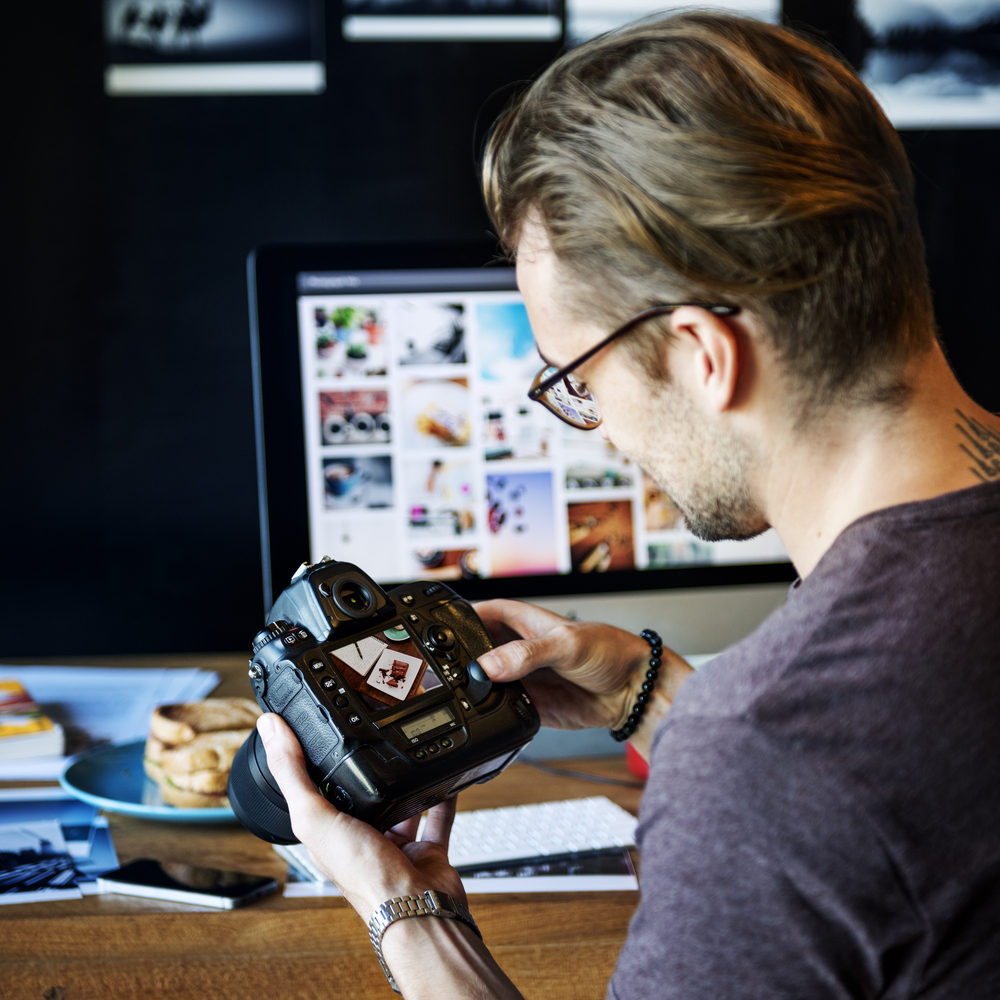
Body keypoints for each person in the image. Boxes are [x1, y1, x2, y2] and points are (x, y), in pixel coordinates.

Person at [255, 12, 1000, 998]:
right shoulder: (808, 741)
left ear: (702, 355)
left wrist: (408, 909)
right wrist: (649, 696)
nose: (597, 427)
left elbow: (817, 777)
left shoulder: (770, 757)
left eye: (579, 381)